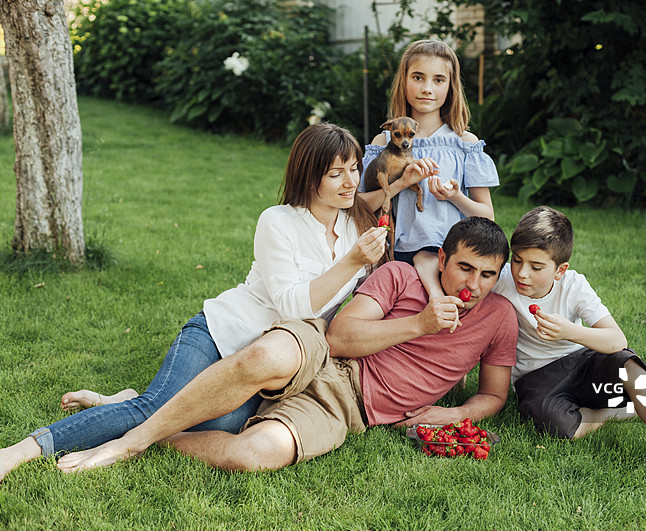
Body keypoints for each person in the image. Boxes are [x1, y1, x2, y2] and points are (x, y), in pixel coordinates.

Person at [0, 122, 387, 482]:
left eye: (354, 168)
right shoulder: (278, 221)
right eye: (336, 174)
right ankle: (22, 450)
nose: (350, 182)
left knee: (215, 426)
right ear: (309, 175)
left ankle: (121, 401)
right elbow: (292, 307)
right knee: (156, 410)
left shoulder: (357, 225)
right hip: (223, 333)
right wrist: (351, 261)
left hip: (264, 360)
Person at [50, 217, 518, 473]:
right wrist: (418, 324)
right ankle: (130, 441)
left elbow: (494, 395)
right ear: (443, 259)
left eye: (486, 275)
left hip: (348, 408)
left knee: (252, 454)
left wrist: (455, 415)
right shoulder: (399, 276)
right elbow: (339, 337)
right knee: (264, 355)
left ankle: (155, 426)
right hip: (325, 357)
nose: (472, 285)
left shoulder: (499, 318)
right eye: (464, 268)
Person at [491, 206, 646, 495]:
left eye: (536, 267)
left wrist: (570, 331)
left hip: (581, 363)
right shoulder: (500, 283)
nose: (522, 273)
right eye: (517, 260)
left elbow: (617, 339)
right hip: (536, 379)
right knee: (561, 428)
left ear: (560, 270)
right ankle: (614, 412)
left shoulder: (574, 285)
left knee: (628, 364)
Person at [358, 40, 499, 294]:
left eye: (438, 80)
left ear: (451, 86)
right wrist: (400, 184)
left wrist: (455, 196)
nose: (427, 88)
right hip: (393, 254)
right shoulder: (383, 142)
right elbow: (360, 207)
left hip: (450, 260)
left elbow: (487, 216)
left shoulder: (464, 144)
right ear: (404, 81)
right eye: (418, 77)